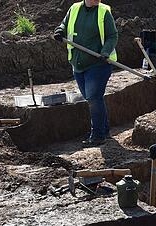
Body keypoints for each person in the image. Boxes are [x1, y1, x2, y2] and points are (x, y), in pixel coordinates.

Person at [54, 0, 118, 147]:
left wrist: (105, 51)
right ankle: (104, 129)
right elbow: (65, 24)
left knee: (94, 98)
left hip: (98, 64)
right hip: (78, 64)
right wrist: (60, 30)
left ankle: (98, 136)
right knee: (93, 99)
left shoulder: (103, 12)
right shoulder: (74, 8)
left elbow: (112, 36)